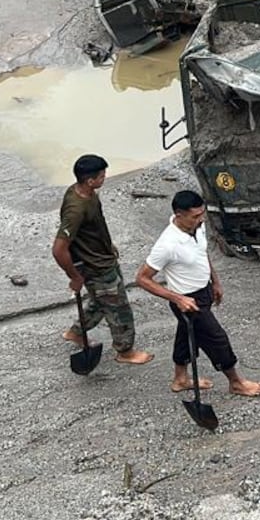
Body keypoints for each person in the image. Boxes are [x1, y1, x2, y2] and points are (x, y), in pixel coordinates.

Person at [135, 191, 260, 397]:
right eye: (196, 216)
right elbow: (142, 278)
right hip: (187, 301)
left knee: (187, 336)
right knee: (217, 338)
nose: (202, 219)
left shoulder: (197, 227)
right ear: (179, 215)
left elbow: (202, 252)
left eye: (202, 214)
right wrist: (178, 298)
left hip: (203, 289)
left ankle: (180, 379)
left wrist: (215, 281)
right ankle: (236, 382)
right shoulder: (167, 244)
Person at [52, 154, 153, 365]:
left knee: (100, 302)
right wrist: (74, 277)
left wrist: (107, 244)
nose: (105, 177)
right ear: (90, 180)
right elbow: (59, 249)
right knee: (119, 309)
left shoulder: (84, 192)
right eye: (102, 175)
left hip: (101, 256)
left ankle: (76, 332)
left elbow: (93, 226)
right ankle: (125, 351)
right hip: (96, 266)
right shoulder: (76, 209)